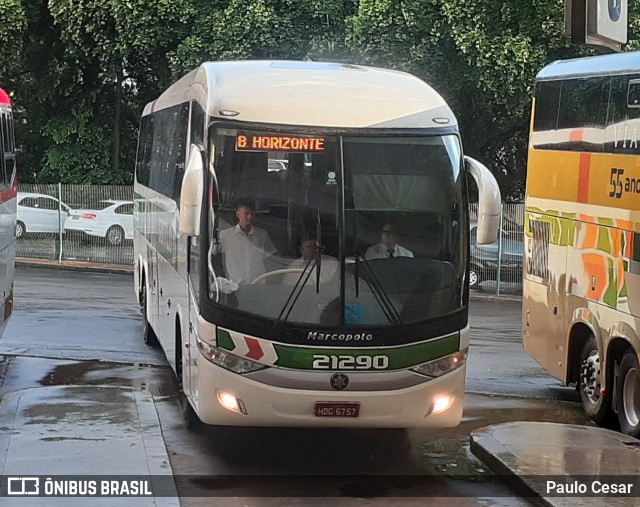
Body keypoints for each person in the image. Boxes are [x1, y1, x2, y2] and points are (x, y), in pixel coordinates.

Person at [216, 200, 277, 284]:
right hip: (235, 286)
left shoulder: (262, 235)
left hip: (259, 284)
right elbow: (213, 256)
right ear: (238, 214)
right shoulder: (225, 236)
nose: (249, 217)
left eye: (252, 214)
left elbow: (271, 259)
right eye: (246, 213)